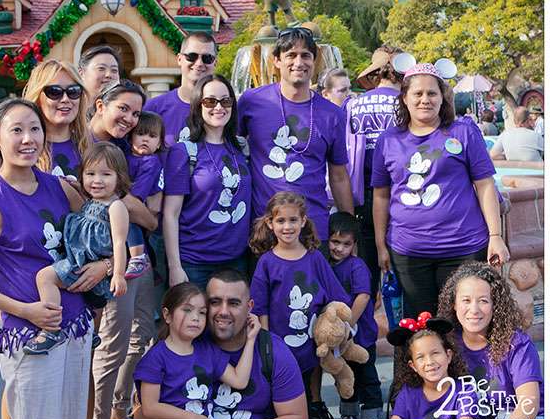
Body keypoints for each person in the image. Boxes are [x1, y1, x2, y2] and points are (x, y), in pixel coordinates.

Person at [0, 99, 93, 419]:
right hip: (29, 335)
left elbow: (94, 237)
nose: (28, 138)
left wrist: (103, 267)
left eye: (35, 129)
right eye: (16, 130)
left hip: (77, 326)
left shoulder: (61, 187)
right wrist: (26, 310)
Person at [372, 62, 510, 318]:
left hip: (464, 248)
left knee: (463, 323)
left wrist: (495, 236)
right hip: (409, 252)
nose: (425, 99)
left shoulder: (464, 131)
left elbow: (485, 185)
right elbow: (380, 195)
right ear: (404, 98)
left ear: (442, 97)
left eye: (432, 93)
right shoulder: (388, 140)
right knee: (419, 326)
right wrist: (381, 246)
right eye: (418, 93)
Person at [133, 268, 308, 419]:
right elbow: (142, 411)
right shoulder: (186, 343)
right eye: (215, 302)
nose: (223, 312)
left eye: (233, 303)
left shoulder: (271, 349)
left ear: (249, 307)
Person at [88, 80, 159, 419]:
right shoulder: (83, 143)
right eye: (124, 109)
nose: (131, 119)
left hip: (136, 256)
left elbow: (148, 216)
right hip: (105, 261)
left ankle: (118, 408)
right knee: (112, 344)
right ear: (101, 104)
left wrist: (135, 208)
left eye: (136, 112)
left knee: (141, 334)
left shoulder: (126, 146)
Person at [238, 27, 353, 244]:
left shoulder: (333, 114)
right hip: (264, 226)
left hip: (313, 228)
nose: (298, 62)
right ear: (277, 61)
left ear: (314, 61)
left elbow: (338, 176)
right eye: (291, 55)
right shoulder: (251, 102)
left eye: (305, 56)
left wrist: (348, 232)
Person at [249, 191, 351, 419]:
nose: (287, 226)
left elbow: (335, 298)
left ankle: (315, 414)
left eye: (293, 220)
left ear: (303, 221)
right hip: (279, 345)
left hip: (312, 341)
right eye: (281, 221)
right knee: (282, 391)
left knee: (310, 382)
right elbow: (259, 307)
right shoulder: (266, 262)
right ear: (270, 224)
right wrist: (265, 345)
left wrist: (338, 327)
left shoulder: (315, 258)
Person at [23, 142, 129, 355]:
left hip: (83, 263)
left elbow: (119, 242)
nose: (96, 181)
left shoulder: (116, 207)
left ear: (119, 177)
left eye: (105, 175)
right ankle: (92, 334)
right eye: (90, 174)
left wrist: (118, 274)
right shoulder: (91, 201)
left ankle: (51, 329)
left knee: (45, 278)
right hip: (80, 259)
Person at [132, 282, 260, 419]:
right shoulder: (155, 358)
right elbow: (150, 407)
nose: (195, 318)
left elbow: (239, 381)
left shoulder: (207, 350)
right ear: (167, 315)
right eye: (187, 310)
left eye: (202, 312)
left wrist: (251, 340)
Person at [164, 74, 251, 289]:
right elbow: (170, 214)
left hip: (237, 261)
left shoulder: (241, 149)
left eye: (226, 100)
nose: (218, 107)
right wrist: (175, 267)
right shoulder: (183, 151)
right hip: (195, 263)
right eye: (210, 101)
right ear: (198, 105)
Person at [438, 261, 544, 419]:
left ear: (496, 305)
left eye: (483, 301)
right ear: (454, 304)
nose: (474, 309)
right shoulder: (446, 343)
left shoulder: (517, 344)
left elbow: (528, 405)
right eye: (466, 300)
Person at [345, 45, 402, 299]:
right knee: (404, 276)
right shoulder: (406, 105)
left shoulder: (352, 105)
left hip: (361, 194)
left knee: (366, 275)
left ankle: (366, 334)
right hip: (400, 194)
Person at [326, 212, 383, 419]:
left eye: (345, 244)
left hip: (360, 336)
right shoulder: (326, 264)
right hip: (339, 339)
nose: (339, 248)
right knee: (343, 376)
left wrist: (347, 325)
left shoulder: (356, 266)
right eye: (334, 242)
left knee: (366, 376)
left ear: (354, 245)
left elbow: (363, 296)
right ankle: (349, 414)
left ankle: (372, 415)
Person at [385, 314, 476, 419]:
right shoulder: (408, 392)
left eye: (435, 353)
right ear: (413, 366)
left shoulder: (464, 391)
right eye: (420, 357)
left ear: (448, 356)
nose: (429, 362)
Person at [144, 31, 218, 146]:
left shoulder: (223, 111)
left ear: (215, 63)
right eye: (192, 56)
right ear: (179, 59)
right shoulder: (153, 109)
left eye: (207, 58)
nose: (199, 63)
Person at [124, 111, 165, 280]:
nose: (145, 139)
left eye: (152, 136)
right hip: (131, 206)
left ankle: (138, 257)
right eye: (140, 134)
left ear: (159, 143)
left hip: (142, 208)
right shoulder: (125, 157)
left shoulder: (151, 162)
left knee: (130, 223)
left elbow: (137, 195)